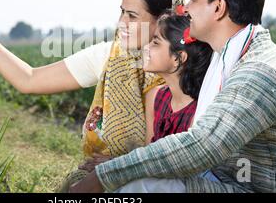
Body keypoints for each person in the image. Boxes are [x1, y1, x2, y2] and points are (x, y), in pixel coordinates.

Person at [70, 0, 276, 193]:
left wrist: (105, 175)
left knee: (144, 186)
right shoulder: (225, 56)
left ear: (218, 7)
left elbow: (202, 146)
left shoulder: (261, 71)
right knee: (140, 177)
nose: (185, 8)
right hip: (229, 181)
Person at [0, 0, 185, 189]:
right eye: (122, 12)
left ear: (163, 20)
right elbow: (30, 80)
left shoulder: (187, 72)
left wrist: (117, 165)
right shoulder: (111, 57)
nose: (121, 23)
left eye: (132, 16)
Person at [78, 12, 213, 176]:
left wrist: (118, 165)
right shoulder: (156, 97)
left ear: (179, 58)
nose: (146, 47)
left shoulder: (200, 111)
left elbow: (183, 170)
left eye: (155, 42)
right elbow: (148, 155)